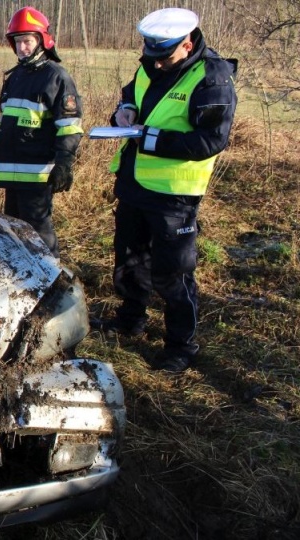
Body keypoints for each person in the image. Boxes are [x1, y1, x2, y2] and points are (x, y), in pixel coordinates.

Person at [94, 8, 238, 372]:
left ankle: (180, 346)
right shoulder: (151, 62)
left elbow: (210, 141)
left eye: (165, 56)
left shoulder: (212, 79)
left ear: (187, 44)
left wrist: (150, 138)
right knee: (129, 259)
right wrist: (123, 112)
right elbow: (131, 94)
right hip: (133, 182)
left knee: (172, 272)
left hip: (175, 195)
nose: (156, 65)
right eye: (151, 55)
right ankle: (130, 320)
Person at [0, 6, 83, 257]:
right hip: (12, 169)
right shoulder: (15, 77)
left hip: (37, 174)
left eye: (27, 41)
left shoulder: (56, 77)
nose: (22, 47)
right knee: (12, 232)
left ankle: (53, 278)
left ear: (42, 41)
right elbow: (7, 124)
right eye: (18, 41)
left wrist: (64, 163)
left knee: (39, 235)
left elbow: (69, 126)